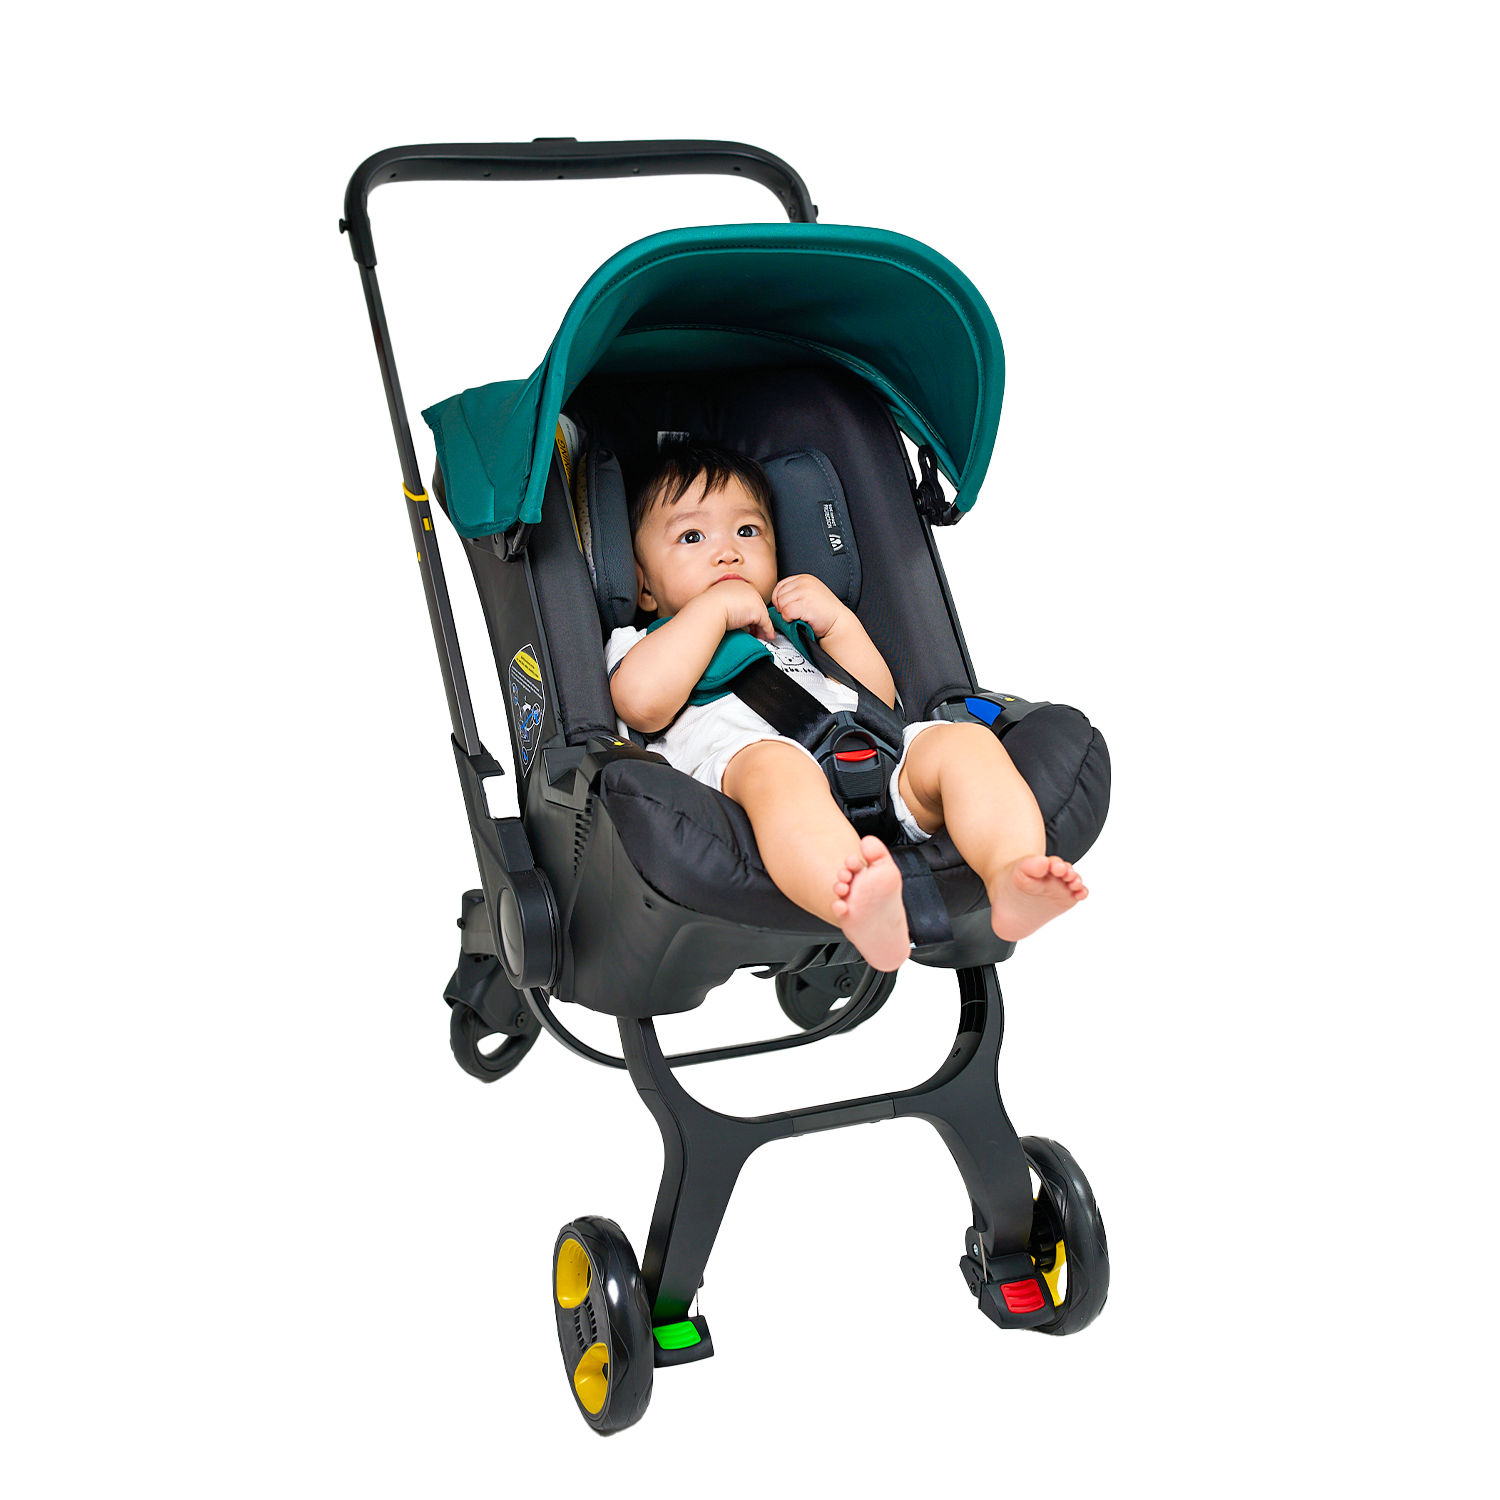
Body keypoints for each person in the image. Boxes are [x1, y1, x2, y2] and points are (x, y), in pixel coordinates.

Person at [606, 443, 1088, 972]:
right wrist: (715, 609)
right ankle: (860, 904)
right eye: (692, 537)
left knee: (965, 743)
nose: (728, 553)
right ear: (644, 586)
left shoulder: (788, 629)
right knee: (778, 769)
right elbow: (640, 704)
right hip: (753, 789)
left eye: (747, 531)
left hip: (873, 761)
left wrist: (838, 624)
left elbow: (877, 702)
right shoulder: (646, 642)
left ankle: (1014, 872)